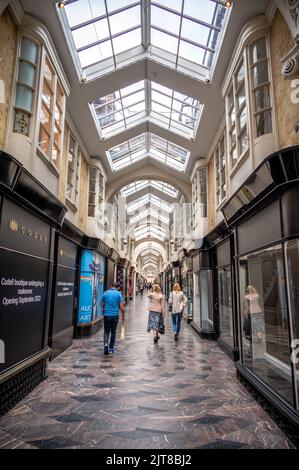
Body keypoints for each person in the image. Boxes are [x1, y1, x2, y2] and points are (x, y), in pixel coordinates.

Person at [101, 282, 125, 355]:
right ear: (117, 287)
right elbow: (122, 307)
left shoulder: (105, 293)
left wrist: (104, 307)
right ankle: (111, 348)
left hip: (107, 315)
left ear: (111, 286)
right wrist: (123, 315)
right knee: (113, 331)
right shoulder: (118, 294)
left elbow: (101, 303)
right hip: (115, 315)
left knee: (106, 331)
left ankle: (106, 344)